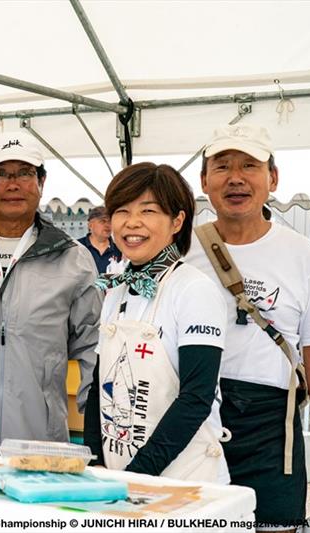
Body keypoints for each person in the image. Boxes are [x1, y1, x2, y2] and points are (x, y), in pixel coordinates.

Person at [186, 124, 310, 527]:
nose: (236, 178)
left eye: (250, 165)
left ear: (272, 179)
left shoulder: (305, 256)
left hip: (272, 429)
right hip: (193, 422)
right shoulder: (180, 251)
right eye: (222, 166)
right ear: (204, 181)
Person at [0, 130, 101, 457]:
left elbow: (93, 349)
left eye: (24, 173)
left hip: (40, 447)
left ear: (41, 182)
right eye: (1, 174)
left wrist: (98, 427)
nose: (13, 184)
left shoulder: (72, 260)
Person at [85, 162, 229, 484]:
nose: (131, 223)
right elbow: (99, 386)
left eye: (148, 211)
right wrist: (96, 466)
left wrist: (138, 475)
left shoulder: (194, 290)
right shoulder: (115, 289)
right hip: (119, 479)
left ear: (177, 221)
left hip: (185, 481)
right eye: (121, 211)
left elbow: (196, 398)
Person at [78, 206, 123, 274]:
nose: (108, 225)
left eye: (110, 221)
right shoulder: (77, 247)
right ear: (90, 225)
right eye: (103, 221)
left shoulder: (119, 250)